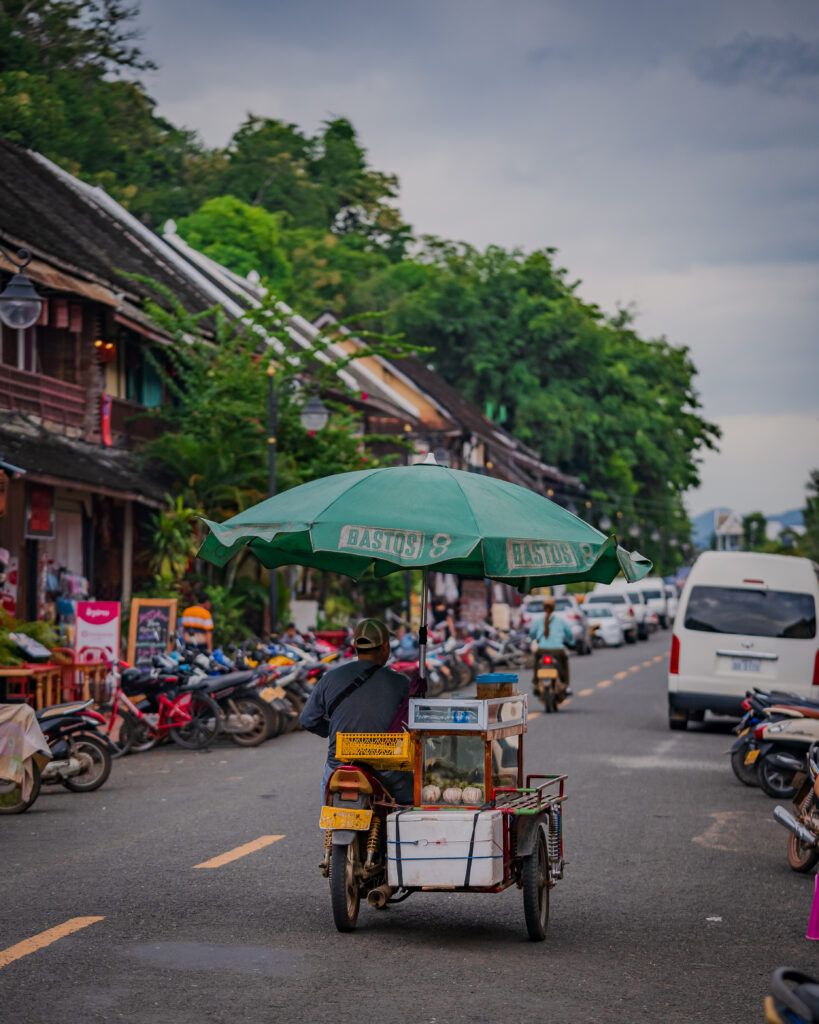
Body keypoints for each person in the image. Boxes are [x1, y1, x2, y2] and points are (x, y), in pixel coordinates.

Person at [299, 618, 413, 804]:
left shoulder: (330, 678)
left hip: (341, 764)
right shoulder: (400, 682)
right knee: (408, 805)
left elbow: (307, 719)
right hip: (388, 768)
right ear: (385, 647)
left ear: (356, 646)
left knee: (328, 793)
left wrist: (337, 732)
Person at [528, 595, 573, 698]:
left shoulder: (539, 620)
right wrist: (571, 642)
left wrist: (531, 640)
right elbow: (569, 634)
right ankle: (566, 685)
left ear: (544, 608)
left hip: (542, 650)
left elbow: (531, 634)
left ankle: (535, 682)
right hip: (558, 650)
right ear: (554, 607)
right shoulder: (560, 620)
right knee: (564, 663)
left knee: (536, 662)